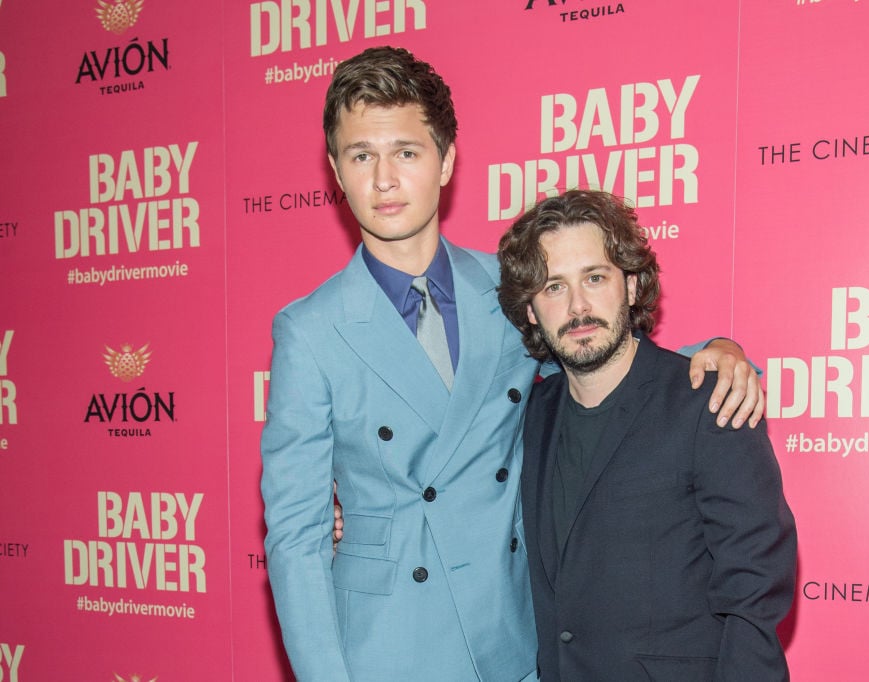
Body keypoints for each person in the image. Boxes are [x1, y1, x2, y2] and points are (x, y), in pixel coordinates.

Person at [261, 46, 763, 681]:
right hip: (388, 649)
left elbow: (592, 361)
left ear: (445, 161)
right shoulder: (310, 331)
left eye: (406, 153)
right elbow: (296, 539)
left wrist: (716, 358)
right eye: (362, 156)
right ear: (336, 169)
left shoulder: (507, 287)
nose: (384, 179)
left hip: (514, 634)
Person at [497, 189, 797, 681]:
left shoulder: (706, 400)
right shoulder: (530, 415)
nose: (577, 306)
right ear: (531, 311)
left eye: (595, 278)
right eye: (553, 287)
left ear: (632, 286)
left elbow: (755, 589)